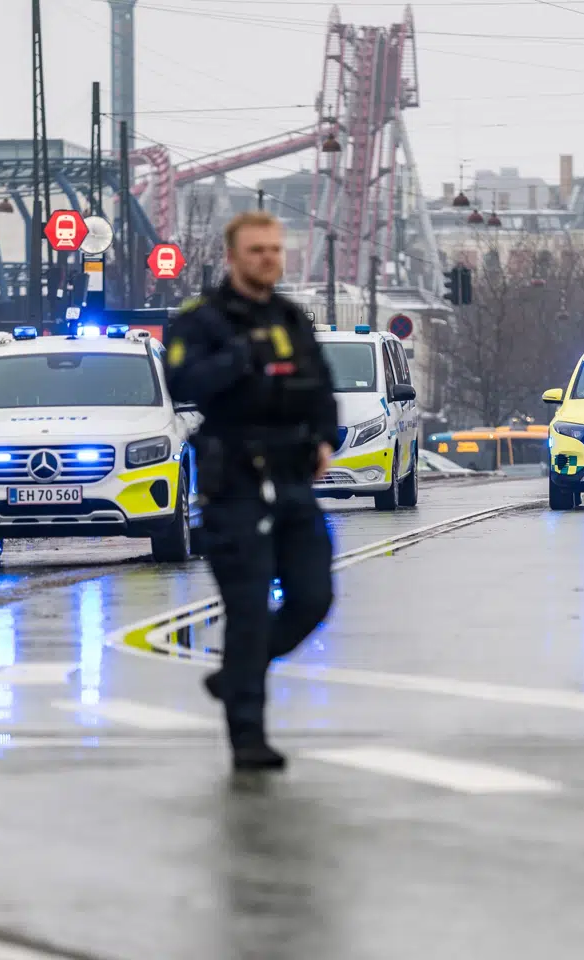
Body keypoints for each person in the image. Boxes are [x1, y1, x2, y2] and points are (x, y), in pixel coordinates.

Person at [164, 210, 339, 772]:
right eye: (257, 250)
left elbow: (321, 387)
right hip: (234, 481)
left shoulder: (291, 317)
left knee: (313, 597)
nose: (269, 258)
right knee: (247, 609)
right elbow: (184, 383)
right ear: (233, 256)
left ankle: (236, 674)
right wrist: (245, 357)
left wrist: (324, 439)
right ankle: (248, 739)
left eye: (275, 249)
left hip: (291, 479)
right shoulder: (203, 320)